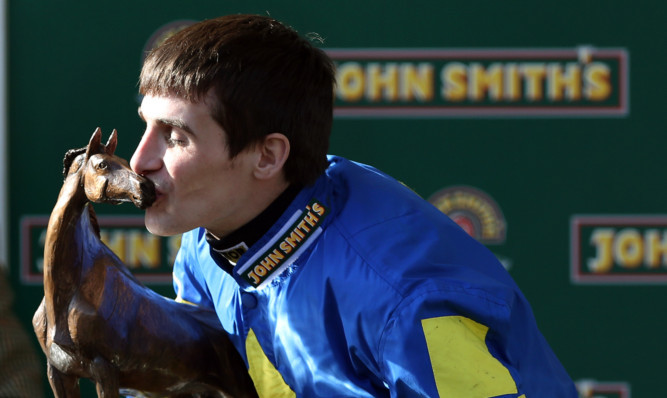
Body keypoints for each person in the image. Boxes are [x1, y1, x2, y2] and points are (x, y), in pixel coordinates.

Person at [130, 14, 578, 397]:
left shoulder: (402, 303)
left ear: (267, 156)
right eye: (146, 126)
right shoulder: (209, 233)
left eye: (175, 137)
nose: (139, 160)